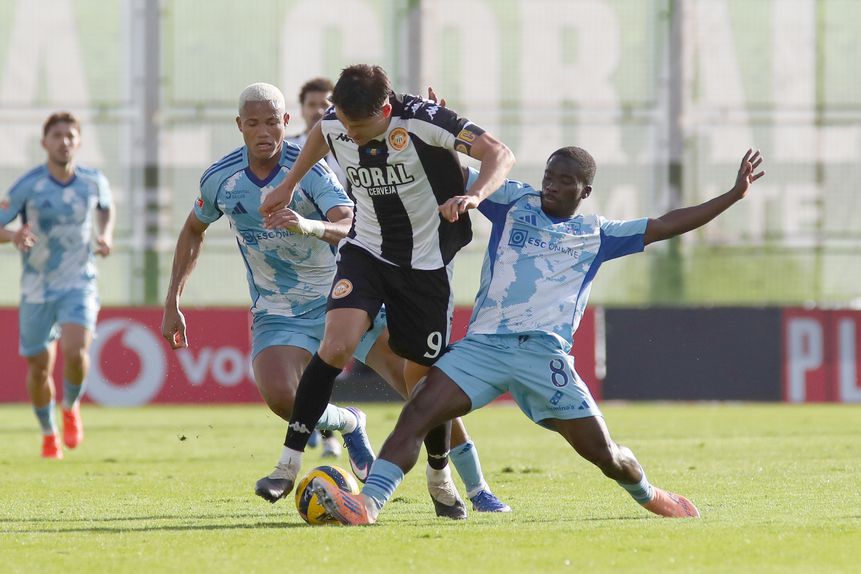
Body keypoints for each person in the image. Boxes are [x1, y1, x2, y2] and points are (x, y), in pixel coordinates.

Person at [312, 147, 766, 524]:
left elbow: (667, 224)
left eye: (564, 179)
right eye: (549, 174)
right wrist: (440, 132)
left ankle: (650, 495)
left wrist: (732, 194)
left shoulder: (597, 233)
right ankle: (367, 505)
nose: (551, 183)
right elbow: (452, 171)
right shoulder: (512, 201)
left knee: (604, 455)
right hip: (484, 347)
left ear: (584, 191)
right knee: (418, 413)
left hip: (543, 357)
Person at [162, 83, 508, 514]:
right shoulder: (221, 179)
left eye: (272, 121)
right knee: (280, 397)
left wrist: (305, 224)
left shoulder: (310, 169)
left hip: (344, 297)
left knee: (422, 387)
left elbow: (348, 223)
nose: (263, 130)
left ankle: (475, 488)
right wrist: (173, 299)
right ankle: (348, 422)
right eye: (253, 123)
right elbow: (193, 229)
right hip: (277, 309)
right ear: (240, 126)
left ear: (286, 122)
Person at [258, 64, 516, 517]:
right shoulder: (339, 121)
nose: (351, 137)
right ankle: (287, 464)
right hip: (366, 250)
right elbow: (322, 131)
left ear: (385, 109)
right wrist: (288, 183)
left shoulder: (423, 121)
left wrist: (474, 195)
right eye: (346, 125)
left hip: (426, 265)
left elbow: (499, 153)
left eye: (361, 128)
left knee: (424, 381)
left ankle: (440, 479)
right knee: (336, 345)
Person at [0, 112, 114, 459]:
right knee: (38, 368)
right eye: (57, 135)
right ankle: (49, 433)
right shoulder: (27, 186)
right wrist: (13, 234)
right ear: (44, 143)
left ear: (78, 142)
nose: (64, 141)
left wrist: (105, 234)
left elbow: (106, 209)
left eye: (70, 135)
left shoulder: (93, 181)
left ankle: (70, 405)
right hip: (37, 288)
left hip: (79, 282)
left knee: (77, 351)